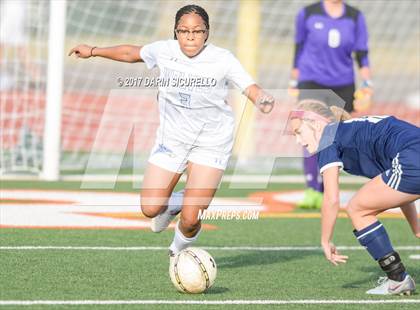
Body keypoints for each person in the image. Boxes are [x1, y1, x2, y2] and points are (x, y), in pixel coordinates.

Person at [69, 5, 273, 258]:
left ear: (207, 33)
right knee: (150, 208)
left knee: (191, 218)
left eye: (197, 31)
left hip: (211, 143)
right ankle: (175, 202)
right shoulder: (163, 50)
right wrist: (93, 51)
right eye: (184, 31)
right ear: (175, 32)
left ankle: (176, 252)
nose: (190, 36)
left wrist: (261, 98)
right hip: (172, 141)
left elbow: (250, 86)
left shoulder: (223, 59)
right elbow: (130, 53)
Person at [288, 99, 419, 295]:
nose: (298, 141)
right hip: (412, 156)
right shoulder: (352, 132)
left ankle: (397, 278)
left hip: (411, 158)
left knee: (357, 209)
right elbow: (398, 190)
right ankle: (398, 278)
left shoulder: (327, 136)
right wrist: (416, 228)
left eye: (298, 132)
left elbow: (331, 199)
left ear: (315, 123)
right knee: (362, 206)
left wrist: (325, 239)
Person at [289, 0, 373, 209]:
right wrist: (294, 80)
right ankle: (311, 189)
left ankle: (327, 190)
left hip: (343, 83)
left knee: (335, 137)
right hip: (311, 80)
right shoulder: (307, 13)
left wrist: (367, 84)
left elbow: (362, 54)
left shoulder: (355, 16)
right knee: (307, 130)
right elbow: (298, 48)